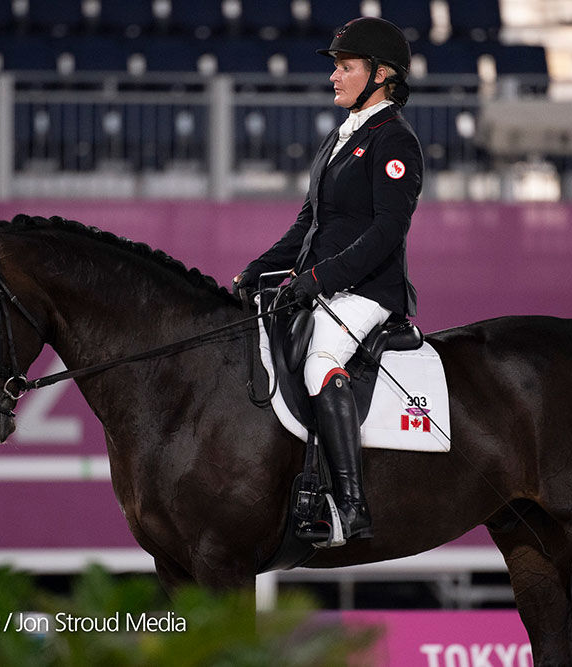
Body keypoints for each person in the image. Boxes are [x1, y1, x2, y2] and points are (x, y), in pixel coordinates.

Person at [233, 17, 423, 544]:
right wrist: (259, 267)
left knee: (320, 360)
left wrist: (319, 278)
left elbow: (387, 231)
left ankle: (349, 504)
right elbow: (309, 223)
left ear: (381, 75)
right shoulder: (343, 136)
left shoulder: (394, 140)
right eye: (335, 67)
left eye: (346, 67)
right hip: (327, 286)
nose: (334, 76)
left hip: (369, 292)